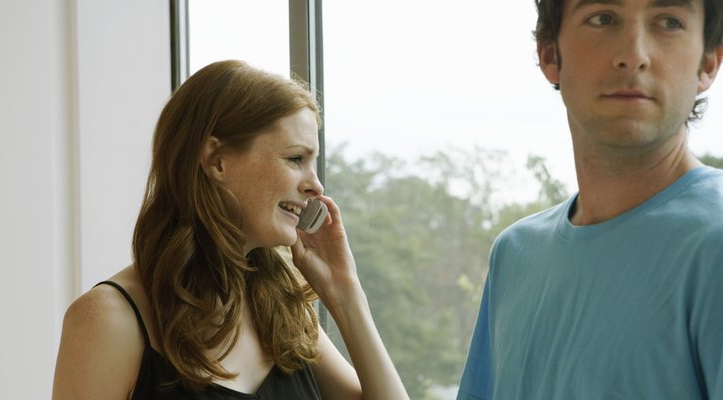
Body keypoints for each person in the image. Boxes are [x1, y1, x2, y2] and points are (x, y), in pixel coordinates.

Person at [53, 60, 409, 400]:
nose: (315, 185)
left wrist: (345, 294)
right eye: (295, 159)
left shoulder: (284, 309)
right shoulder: (108, 319)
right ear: (216, 160)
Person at [457, 0, 723, 399]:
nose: (633, 55)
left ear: (708, 64)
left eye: (669, 22)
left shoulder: (715, 244)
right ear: (550, 55)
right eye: (603, 18)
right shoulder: (515, 255)